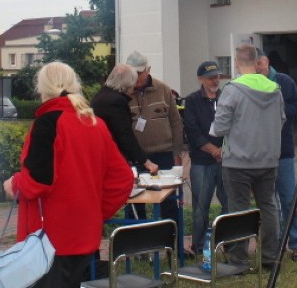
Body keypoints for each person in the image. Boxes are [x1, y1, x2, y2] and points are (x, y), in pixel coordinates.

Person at [3, 62, 133, 288]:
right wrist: (95, 213)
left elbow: (37, 182)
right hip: (83, 236)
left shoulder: (48, 123)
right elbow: (122, 178)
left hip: (50, 238)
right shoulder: (95, 123)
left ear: (42, 88)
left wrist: (14, 184)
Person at [210, 44, 285, 269]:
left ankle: (239, 259)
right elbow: (281, 120)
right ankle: (270, 257)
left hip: (238, 161)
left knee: (238, 210)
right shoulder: (274, 88)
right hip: (268, 158)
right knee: (269, 206)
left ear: (236, 62)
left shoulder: (232, 89)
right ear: (257, 61)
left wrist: (215, 131)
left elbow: (220, 127)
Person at [255, 48, 297, 261]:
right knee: (268, 201)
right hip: (259, 151)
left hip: (283, 151)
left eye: (260, 63)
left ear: (266, 61)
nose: (258, 68)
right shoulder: (249, 84)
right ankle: (274, 243)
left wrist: (278, 108)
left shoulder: (284, 81)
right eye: (254, 64)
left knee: (289, 198)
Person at [125, 50, 184, 222]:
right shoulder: (122, 93)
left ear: (148, 70)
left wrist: (177, 153)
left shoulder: (163, 89)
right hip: (135, 157)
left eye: (139, 72)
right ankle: (138, 245)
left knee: (168, 203)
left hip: (163, 155)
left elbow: (176, 122)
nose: (135, 76)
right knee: (135, 204)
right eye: (132, 72)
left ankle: (170, 242)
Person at [182, 60, 229, 257]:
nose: (214, 81)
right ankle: (199, 247)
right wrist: (213, 150)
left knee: (229, 204)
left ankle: (228, 242)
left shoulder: (227, 97)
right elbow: (193, 132)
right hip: (202, 161)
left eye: (217, 76)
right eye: (210, 78)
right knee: (201, 206)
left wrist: (224, 149)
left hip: (226, 160)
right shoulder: (192, 101)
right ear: (201, 79)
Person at [91, 63, 159, 175]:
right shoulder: (116, 101)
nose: (134, 87)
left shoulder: (100, 96)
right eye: (134, 82)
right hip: (111, 157)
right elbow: (124, 134)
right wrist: (145, 161)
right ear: (128, 82)